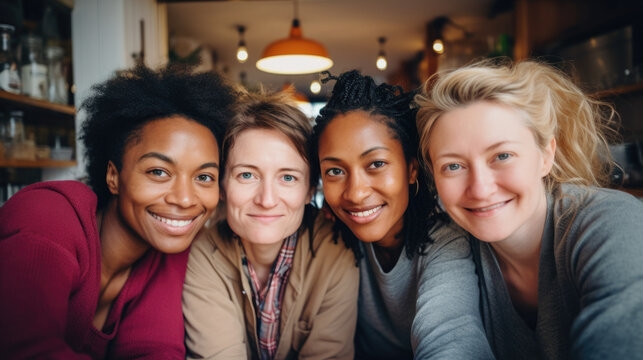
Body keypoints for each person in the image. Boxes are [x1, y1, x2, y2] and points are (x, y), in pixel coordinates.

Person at [0, 66, 236, 359]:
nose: (185, 199)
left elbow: (154, 351)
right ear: (113, 176)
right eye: (159, 172)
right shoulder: (47, 217)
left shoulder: (171, 249)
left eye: (204, 177)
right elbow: (24, 350)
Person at [416, 59, 643, 359]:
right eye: (453, 166)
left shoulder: (612, 220)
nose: (481, 189)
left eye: (502, 155)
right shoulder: (448, 239)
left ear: (545, 155)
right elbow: (447, 338)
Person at [311, 70, 493, 359]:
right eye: (335, 171)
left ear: (411, 168)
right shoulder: (327, 235)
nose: (355, 193)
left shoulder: (446, 240)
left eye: (376, 164)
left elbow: (450, 333)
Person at [182, 90, 359, 360]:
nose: (266, 200)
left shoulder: (335, 250)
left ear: (310, 189)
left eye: (287, 178)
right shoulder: (203, 252)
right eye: (247, 174)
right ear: (221, 185)